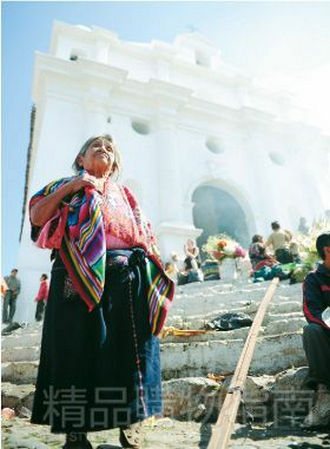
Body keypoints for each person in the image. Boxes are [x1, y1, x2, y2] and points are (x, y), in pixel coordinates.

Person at [29, 134, 175, 449]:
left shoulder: (125, 194)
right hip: (74, 276)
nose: (103, 149)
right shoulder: (63, 187)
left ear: (116, 163)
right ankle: (75, 432)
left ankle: (132, 423)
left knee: (133, 352)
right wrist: (74, 187)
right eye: (95, 146)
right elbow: (38, 217)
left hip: (126, 277)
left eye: (109, 148)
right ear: (80, 159)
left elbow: (143, 235)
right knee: (74, 350)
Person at [301, 232, 330, 428]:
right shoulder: (313, 279)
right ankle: (325, 395)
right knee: (311, 330)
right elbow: (311, 311)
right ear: (327, 250)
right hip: (327, 335)